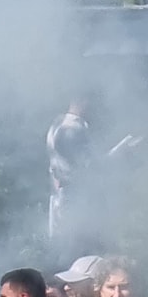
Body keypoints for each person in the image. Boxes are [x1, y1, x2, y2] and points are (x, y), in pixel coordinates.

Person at [47, 100, 93, 241]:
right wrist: (121, 152)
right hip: (74, 205)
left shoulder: (57, 125)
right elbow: (93, 168)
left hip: (60, 200)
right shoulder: (73, 129)